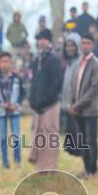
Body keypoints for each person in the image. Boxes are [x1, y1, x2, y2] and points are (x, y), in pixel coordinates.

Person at [65, 33, 98, 178]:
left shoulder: (97, 65)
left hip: (90, 110)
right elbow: (71, 86)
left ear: (92, 45)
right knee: (81, 140)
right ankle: (86, 168)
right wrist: (71, 104)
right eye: (83, 43)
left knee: (91, 140)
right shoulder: (78, 63)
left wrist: (78, 105)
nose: (85, 45)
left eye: (88, 43)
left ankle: (93, 170)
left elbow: (93, 90)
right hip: (77, 110)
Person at [28, 28, 63, 173]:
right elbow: (34, 82)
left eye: (43, 39)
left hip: (51, 104)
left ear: (48, 41)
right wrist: (33, 99)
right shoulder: (37, 61)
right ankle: (41, 168)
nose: (40, 42)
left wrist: (46, 99)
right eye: (38, 39)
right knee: (40, 137)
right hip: (38, 106)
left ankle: (51, 168)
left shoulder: (53, 60)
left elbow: (57, 83)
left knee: (51, 137)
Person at [0, 51, 24, 168]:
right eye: (2, 62)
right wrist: (0, 104)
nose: (4, 64)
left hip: (14, 111)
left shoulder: (16, 78)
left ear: (11, 63)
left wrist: (17, 104)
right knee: (3, 138)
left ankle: (17, 161)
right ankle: (5, 162)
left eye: (7, 62)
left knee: (15, 137)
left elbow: (22, 93)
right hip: (1, 111)